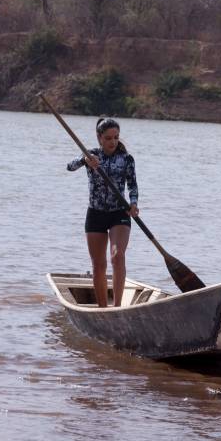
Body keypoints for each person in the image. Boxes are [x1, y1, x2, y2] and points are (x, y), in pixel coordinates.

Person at [67, 118, 139, 308]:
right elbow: (69, 166)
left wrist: (133, 204)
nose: (113, 142)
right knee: (99, 265)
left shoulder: (126, 159)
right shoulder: (91, 155)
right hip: (96, 214)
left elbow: (132, 186)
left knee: (118, 256)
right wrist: (85, 161)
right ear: (99, 138)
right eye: (108, 138)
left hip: (119, 214)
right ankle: (102, 309)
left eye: (115, 137)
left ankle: (117, 308)